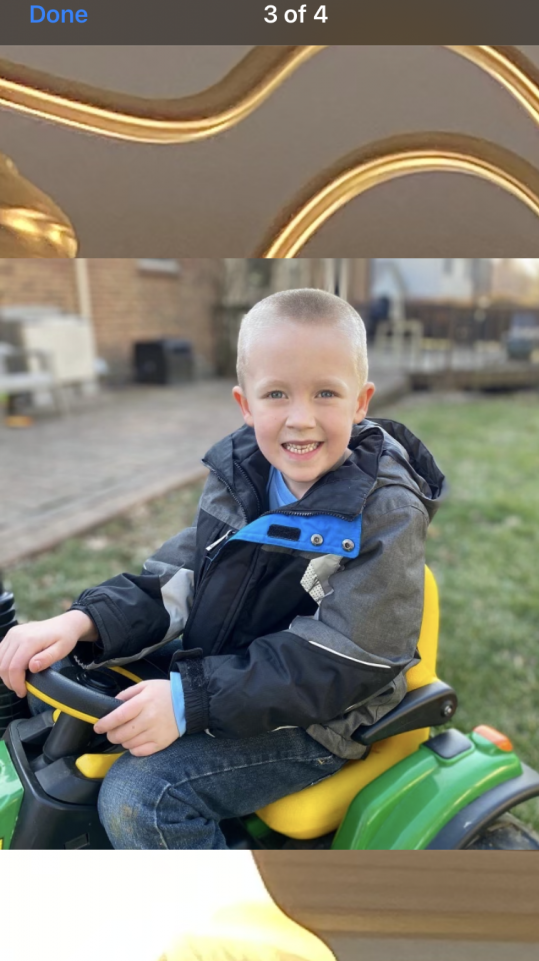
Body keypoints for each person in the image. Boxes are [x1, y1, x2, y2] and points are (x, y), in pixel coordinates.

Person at [0, 288, 444, 849]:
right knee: (62, 686)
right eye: (277, 394)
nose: (300, 418)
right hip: (229, 671)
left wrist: (189, 701)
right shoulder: (242, 474)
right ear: (245, 404)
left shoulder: (386, 512)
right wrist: (82, 622)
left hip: (324, 716)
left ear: (361, 402)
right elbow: (183, 575)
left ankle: (226, 905)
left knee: (144, 796)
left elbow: (347, 659)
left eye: (326, 393)